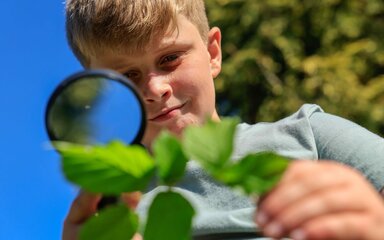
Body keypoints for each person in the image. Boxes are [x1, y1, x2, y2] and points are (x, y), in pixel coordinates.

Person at [62, 0, 384, 239]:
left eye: (170, 58)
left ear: (212, 54)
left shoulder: (309, 135)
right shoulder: (112, 213)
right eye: (128, 76)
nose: (156, 88)